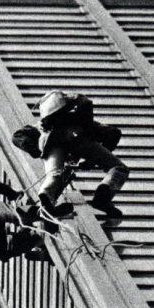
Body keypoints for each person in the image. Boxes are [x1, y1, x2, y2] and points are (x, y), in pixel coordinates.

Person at [36, 90, 129, 219]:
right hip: (77, 139)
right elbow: (113, 133)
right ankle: (103, 197)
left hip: (51, 141)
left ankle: (46, 203)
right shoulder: (90, 125)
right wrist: (92, 161)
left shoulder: (47, 127)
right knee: (119, 169)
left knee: (53, 175)